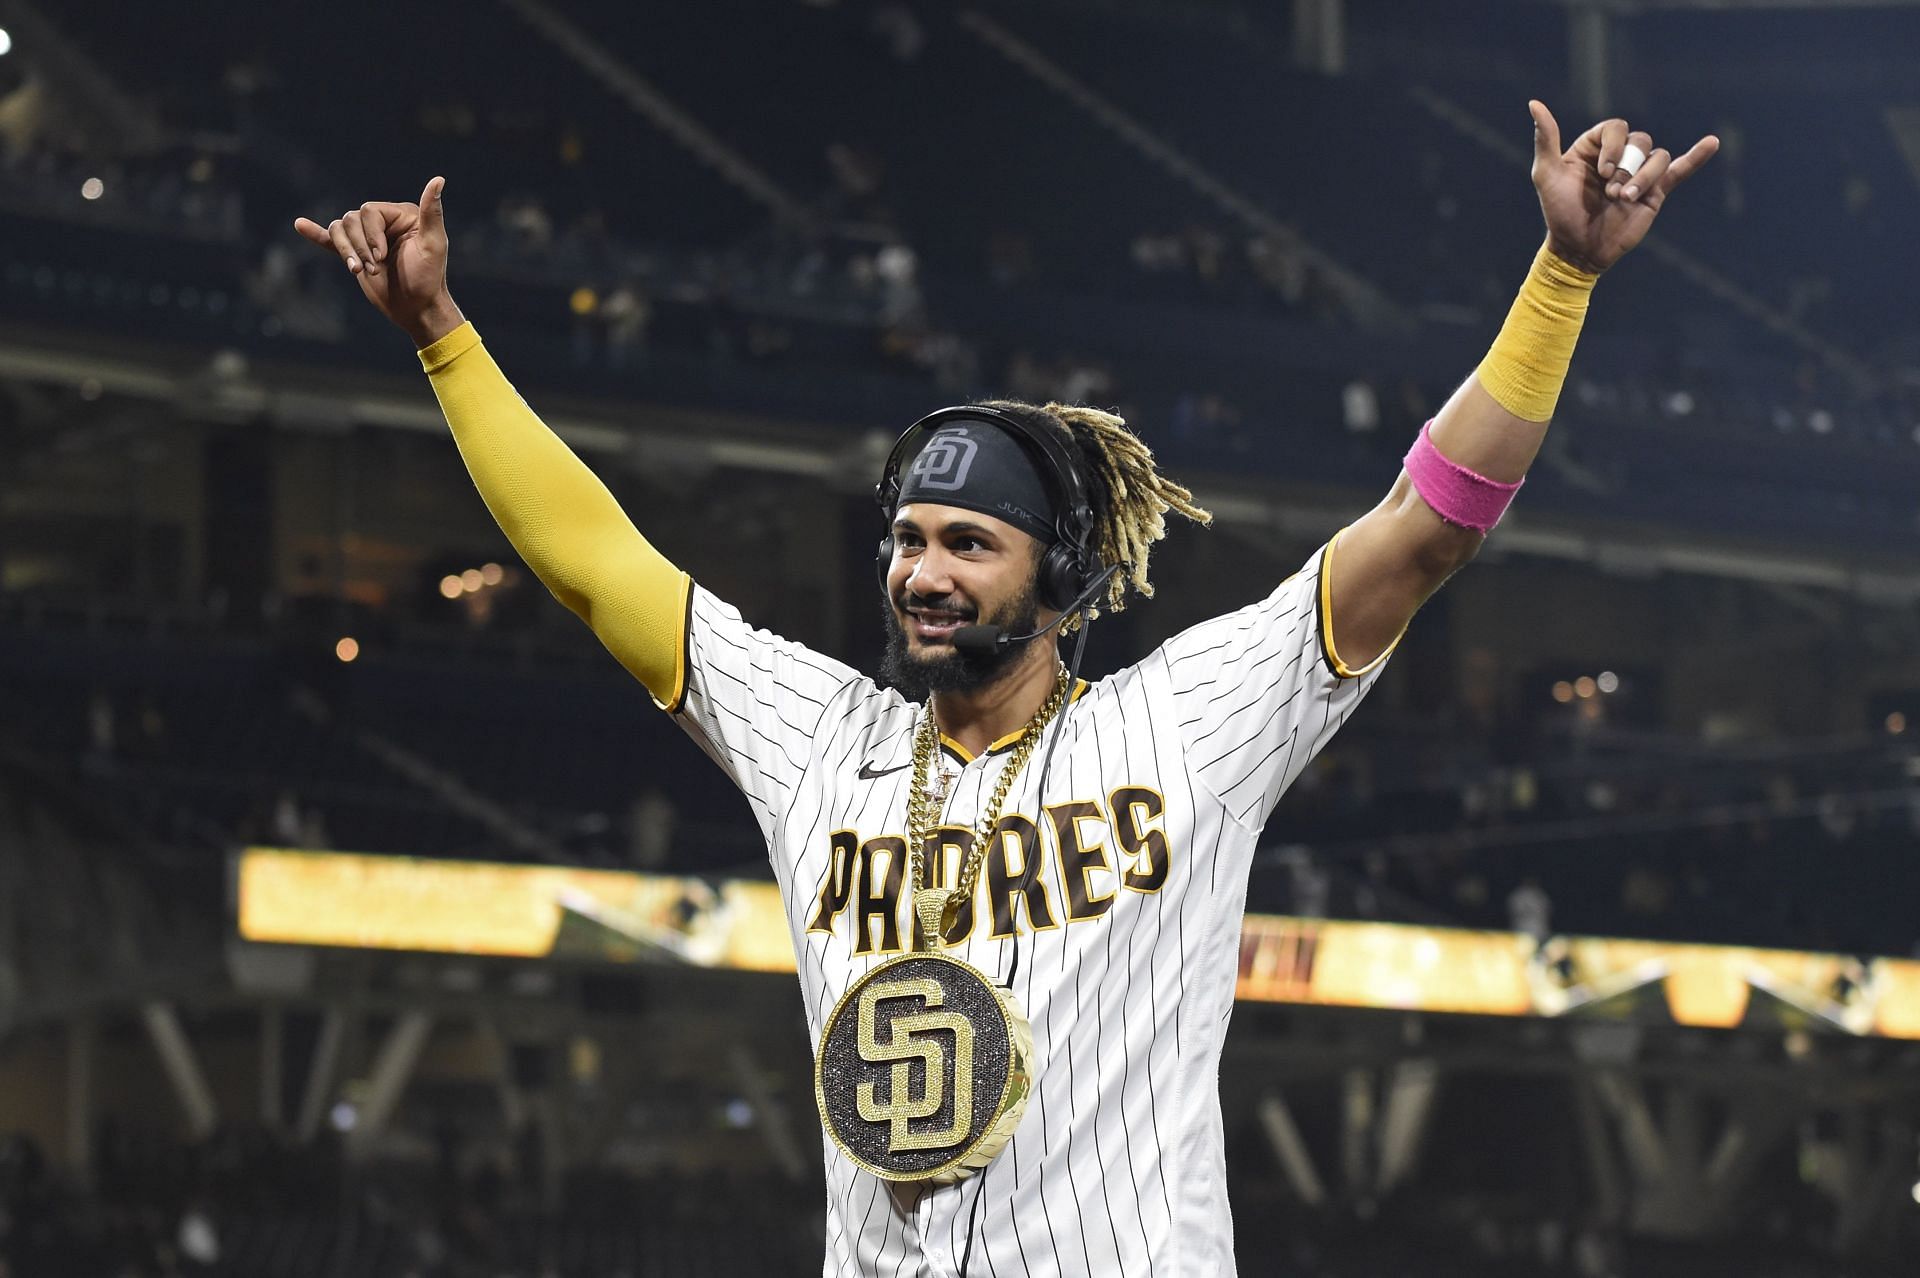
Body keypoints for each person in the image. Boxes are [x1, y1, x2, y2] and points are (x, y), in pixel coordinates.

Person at [295, 101, 1715, 1276]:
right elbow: (594, 562)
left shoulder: (1186, 723)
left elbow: (1429, 529)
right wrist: (442, 337)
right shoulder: (819, 738)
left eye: (969, 544)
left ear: (1062, 579)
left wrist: (1562, 280)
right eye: (907, 539)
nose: (924, 570)